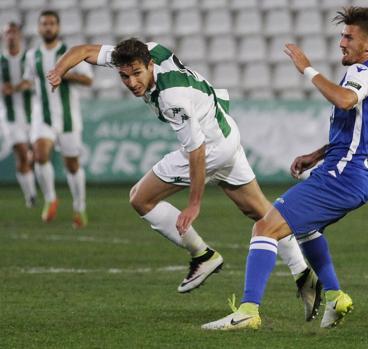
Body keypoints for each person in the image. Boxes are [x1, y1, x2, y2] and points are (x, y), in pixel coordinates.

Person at [47, 38, 322, 320]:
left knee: (140, 198)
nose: (131, 82)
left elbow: (196, 152)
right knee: (261, 213)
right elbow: (85, 51)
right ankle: (303, 274)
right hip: (225, 129)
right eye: (124, 76)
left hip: (210, 146)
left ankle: (203, 255)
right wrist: (59, 70)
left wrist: (194, 204)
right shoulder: (147, 51)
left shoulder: (171, 100)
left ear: (150, 65)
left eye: (136, 74)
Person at [202, 6, 368, 331]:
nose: (341, 42)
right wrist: (317, 154)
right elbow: (362, 130)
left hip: (343, 176)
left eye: (349, 36)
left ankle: (249, 311)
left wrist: (307, 69)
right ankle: (334, 296)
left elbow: (345, 100)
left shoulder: (364, 73)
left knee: (265, 227)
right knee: (304, 229)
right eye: (342, 35)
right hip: (353, 176)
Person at [20, 10, 92, 227]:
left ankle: (79, 207)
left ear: (58, 27)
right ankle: (50, 198)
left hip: (68, 117)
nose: (48, 27)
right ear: (39, 28)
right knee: (40, 153)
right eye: (44, 24)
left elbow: (88, 80)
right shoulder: (32, 56)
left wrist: (65, 73)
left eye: (51, 23)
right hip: (42, 115)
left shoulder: (70, 53)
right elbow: (28, 82)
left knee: (72, 165)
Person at [0, 22, 36, 208]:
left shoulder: (29, 59)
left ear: (19, 35)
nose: (11, 36)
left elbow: (35, 81)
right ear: (4, 36)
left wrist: (17, 87)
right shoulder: (0, 60)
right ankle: (30, 196)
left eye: (13, 32)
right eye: (7, 33)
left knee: (33, 156)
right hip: (10, 116)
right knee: (22, 154)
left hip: (32, 114)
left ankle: (33, 190)